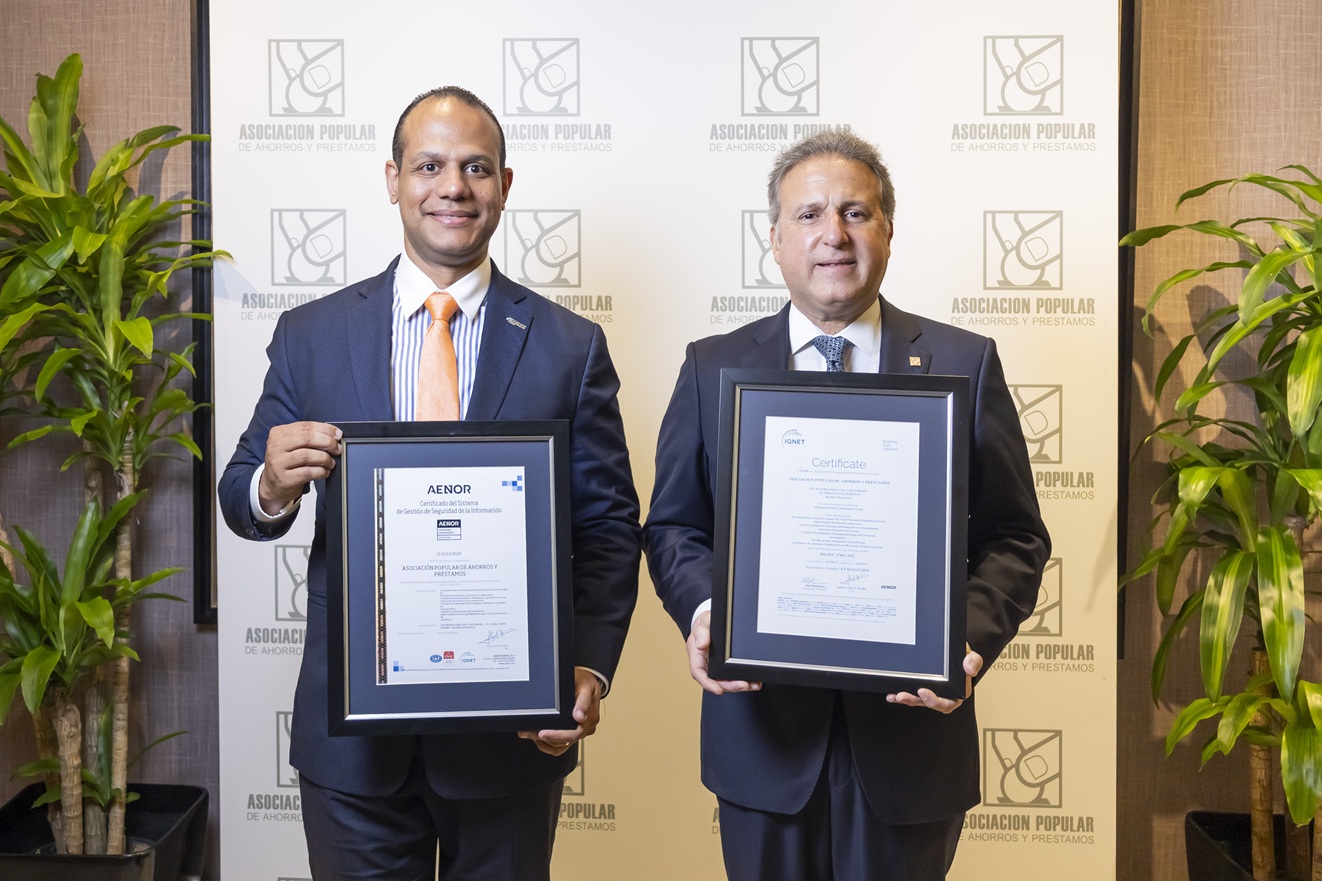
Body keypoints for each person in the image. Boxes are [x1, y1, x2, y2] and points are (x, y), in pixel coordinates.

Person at [219, 86, 641, 881]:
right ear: (393, 180)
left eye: (476, 168)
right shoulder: (312, 334)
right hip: (353, 752)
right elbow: (242, 494)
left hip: (511, 743)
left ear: (504, 186)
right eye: (430, 166)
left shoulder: (569, 345)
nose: (454, 186)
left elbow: (609, 528)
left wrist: (586, 666)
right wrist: (271, 485)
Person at [643, 130, 1050, 881]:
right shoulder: (711, 367)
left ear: (888, 229)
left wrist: (962, 640)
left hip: (910, 748)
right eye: (809, 214)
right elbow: (674, 525)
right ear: (774, 239)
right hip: (763, 744)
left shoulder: (964, 362)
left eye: (855, 212)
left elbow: (1015, 537)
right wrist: (707, 613)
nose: (833, 233)